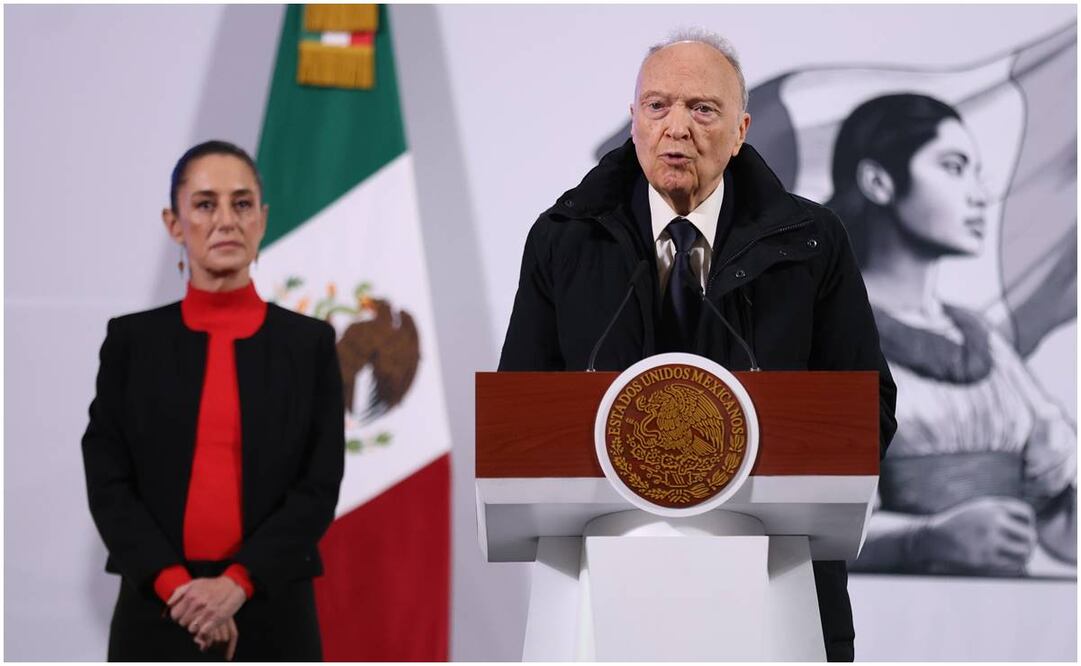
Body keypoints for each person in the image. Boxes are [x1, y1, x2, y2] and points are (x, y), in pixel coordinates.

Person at [498, 29, 897, 662]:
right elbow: (520, 421)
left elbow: (867, 405)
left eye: (701, 109)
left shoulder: (810, 241)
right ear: (634, 122)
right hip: (602, 581)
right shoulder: (565, 239)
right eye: (658, 106)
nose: (676, 127)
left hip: (777, 579)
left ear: (740, 131)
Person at [82, 140, 345, 660]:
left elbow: (317, 487)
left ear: (262, 219)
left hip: (273, 607)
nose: (226, 220)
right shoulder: (131, 343)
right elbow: (108, 480)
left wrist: (236, 585)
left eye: (242, 203)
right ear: (174, 224)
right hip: (156, 606)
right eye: (205, 204)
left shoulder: (309, 344)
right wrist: (178, 588)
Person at [828, 94, 1077, 575]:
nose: (980, 195)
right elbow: (815, 535)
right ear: (878, 182)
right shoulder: (829, 333)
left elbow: (1059, 522)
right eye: (954, 167)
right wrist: (925, 540)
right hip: (890, 622)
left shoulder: (982, 339)